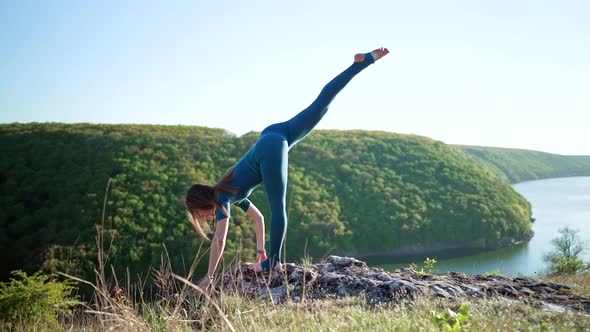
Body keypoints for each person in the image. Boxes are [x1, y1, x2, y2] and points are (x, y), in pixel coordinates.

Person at [185, 47, 389, 290]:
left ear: (201, 203)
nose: (203, 217)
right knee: (321, 106)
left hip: (270, 147)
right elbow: (257, 218)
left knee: (278, 206)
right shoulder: (229, 190)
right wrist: (260, 249)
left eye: (199, 213)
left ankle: (274, 262)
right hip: (274, 134)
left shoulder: (221, 199)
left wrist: (209, 276)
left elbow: (219, 240)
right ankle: (361, 63)